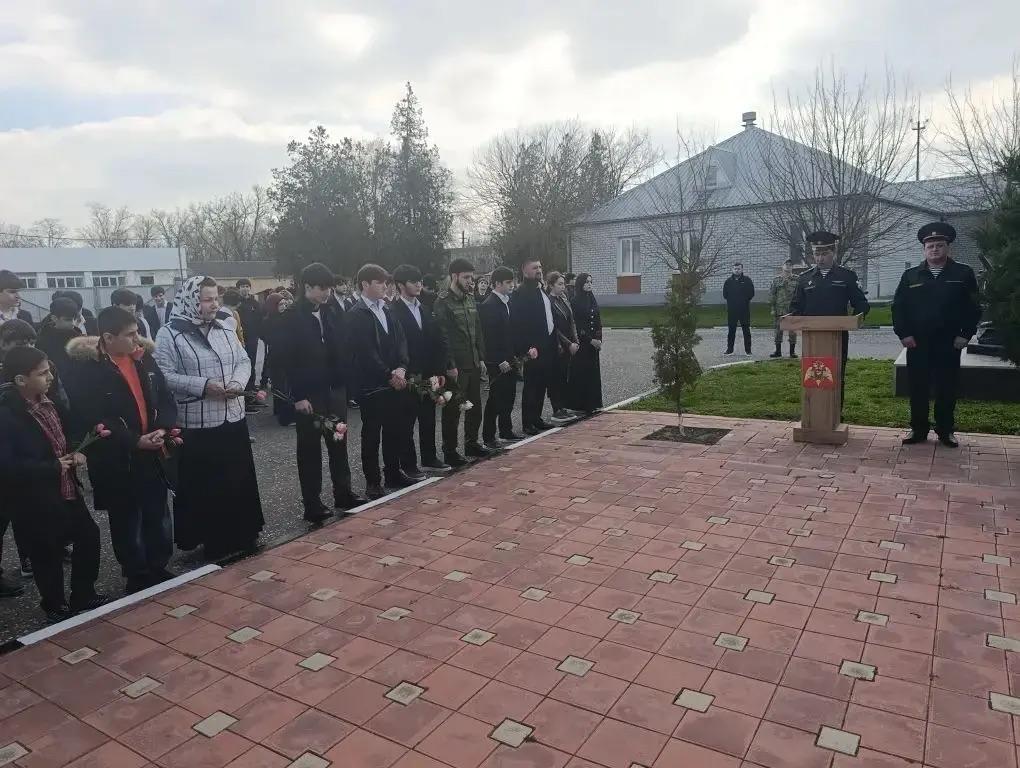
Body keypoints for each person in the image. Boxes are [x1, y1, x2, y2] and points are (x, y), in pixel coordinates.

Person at [66, 307, 177, 592]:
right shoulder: (88, 371)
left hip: (153, 449)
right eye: (130, 334)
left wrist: (163, 429)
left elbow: (165, 398)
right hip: (117, 457)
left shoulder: (144, 359)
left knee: (157, 511)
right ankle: (137, 573)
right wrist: (133, 440)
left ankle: (158, 565)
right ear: (108, 337)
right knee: (127, 518)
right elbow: (94, 416)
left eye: (137, 332)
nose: (137, 339)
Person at [153, 275, 264, 560]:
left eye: (216, 298)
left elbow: (243, 360)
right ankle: (215, 541)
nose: (214, 305)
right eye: (207, 299)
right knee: (209, 485)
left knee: (238, 479)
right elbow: (164, 376)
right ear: (191, 301)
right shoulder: (170, 333)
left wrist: (238, 383)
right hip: (198, 423)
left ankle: (245, 533)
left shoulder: (225, 325)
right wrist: (202, 386)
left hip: (232, 416)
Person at [0, 346, 103, 621]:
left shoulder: (51, 400)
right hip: (35, 497)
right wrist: (51, 467)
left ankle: (84, 593)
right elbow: (7, 466)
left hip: (66, 487)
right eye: (43, 373)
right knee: (47, 551)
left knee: (89, 536)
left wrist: (78, 450)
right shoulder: (7, 415)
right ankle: (55, 605)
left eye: (50, 371)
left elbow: (67, 433)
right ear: (21, 379)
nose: (50, 378)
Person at [280, 263, 366, 521]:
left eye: (329, 287)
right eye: (322, 288)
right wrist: (298, 396)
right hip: (309, 393)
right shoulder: (292, 317)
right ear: (307, 287)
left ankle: (343, 492)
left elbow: (343, 346)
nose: (327, 292)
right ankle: (312, 503)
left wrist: (346, 380)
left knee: (338, 440)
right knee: (309, 450)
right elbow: (285, 361)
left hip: (335, 388)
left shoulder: (331, 311)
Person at [893, 222, 981, 447]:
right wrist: (904, 334)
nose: (934, 249)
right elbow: (899, 307)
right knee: (918, 387)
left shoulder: (963, 273)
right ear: (924, 249)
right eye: (930, 246)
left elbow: (973, 307)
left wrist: (965, 334)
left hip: (949, 341)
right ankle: (918, 429)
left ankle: (945, 430)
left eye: (939, 245)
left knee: (947, 387)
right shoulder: (911, 275)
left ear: (947, 247)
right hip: (918, 342)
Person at [346, 264, 411, 498]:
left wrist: (402, 367)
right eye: (379, 282)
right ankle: (373, 482)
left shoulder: (388, 309)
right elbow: (365, 351)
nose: (385, 286)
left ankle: (393, 472)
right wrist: (388, 375)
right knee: (372, 434)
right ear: (365, 284)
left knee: (395, 430)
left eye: (386, 282)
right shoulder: (356, 314)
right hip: (372, 385)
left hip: (395, 380)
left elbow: (401, 340)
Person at [789, 231, 870, 407]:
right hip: (812, 338)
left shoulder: (846, 276)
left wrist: (857, 318)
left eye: (824, 253)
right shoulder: (804, 278)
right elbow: (795, 306)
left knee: (835, 375)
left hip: (837, 336)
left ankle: (835, 413)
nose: (820, 258)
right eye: (816, 254)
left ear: (833, 252)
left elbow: (861, 303)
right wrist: (796, 322)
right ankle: (813, 412)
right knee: (813, 375)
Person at [391, 264, 451, 474]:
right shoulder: (392, 311)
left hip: (428, 373)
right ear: (400, 285)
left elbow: (438, 340)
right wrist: (401, 371)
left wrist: (440, 370)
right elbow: (395, 346)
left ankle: (429, 457)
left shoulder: (425, 308)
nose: (418, 285)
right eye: (413, 281)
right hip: (407, 375)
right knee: (406, 422)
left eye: (420, 281)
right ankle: (408, 464)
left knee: (428, 418)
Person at [433, 257, 490, 465]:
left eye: (471, 278)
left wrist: (481, 358)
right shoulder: (443, 302)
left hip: (473, 362)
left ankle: (471, 443)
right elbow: (443, 337)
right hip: (456, 367)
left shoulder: (470, 299)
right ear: (454, 276)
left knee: (475, 407)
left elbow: (478, 330)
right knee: (453, 411)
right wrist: (450, 365)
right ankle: (450, 451)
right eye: (466, 277)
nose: (470, 282)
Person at [0, 319, 41, 594]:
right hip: (6, 457)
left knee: (26, 515)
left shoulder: (38, 370)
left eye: (29, 343)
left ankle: (29, 558)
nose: (25, 348)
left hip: (26, 457)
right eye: (18, 344)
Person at [510, 257, 568, 434]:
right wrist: (526, 348)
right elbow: (518, 324)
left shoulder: (540, 289)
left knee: (541, 385)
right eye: (535, 267)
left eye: (540, 267)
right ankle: (528, 423)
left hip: (547, 346)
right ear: (524, 270)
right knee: (531, 387)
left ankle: (537, 418)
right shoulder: (521, 293)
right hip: (532, 349)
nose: (539, 270)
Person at [479, 266, 524, 448]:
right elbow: (489, 336)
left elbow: (511, 331)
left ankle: (506, 430)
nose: (512, 285)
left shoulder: (508, 302)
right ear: (497, 283)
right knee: (495, 398)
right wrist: (499, 360)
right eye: (508, 282)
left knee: (509, 395)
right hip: (497, 361)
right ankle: (489, 436)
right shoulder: (489, 305)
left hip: (510, 358)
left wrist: (516, 355)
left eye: (513, 281)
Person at [546, 272, 581, 422]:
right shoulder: (549, 302)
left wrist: (576, 341)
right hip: (558, 345)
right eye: (559, 284)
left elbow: (572, 321)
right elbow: (554, 328)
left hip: (570, 344)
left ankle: (563, 406)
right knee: (556, 377)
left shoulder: (564, 299)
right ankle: (557, 408)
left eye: (563, 284)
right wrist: (568, 343)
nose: (563, 287)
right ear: (551, 285)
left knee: (565, 376)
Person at [568, 272, 604, 414]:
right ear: (580, 284)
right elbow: (577, 325)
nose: (589, 284)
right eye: (586, 282)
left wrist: (599, 339)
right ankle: (581, 404)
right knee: (582, 372)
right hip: (583, 343)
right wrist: (590, 340)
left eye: (591, 282)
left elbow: (598, 321)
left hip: (594, 344)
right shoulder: (575, 301)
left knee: (593, 373)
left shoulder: (592, 299)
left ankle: (593, 402)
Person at [261, 292, 296, 426]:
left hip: (283, 355)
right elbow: (267, 337)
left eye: (284, 304)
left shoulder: (284, 318)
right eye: (280, 304)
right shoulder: (269, 321)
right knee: (282, 387)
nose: (283, 306)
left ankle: (279, 411)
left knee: (281, 386)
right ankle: (286, 417)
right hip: (278, 356)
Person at [36, 297, 82, 380]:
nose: (72, 323)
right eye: (67, 320)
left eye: (74, 319)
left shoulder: (79, 339)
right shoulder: (42, 340)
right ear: (54, 318)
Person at [235, 279, 263, 396]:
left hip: (252, 337)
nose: (245, 288)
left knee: (252, 361)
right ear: (238, 289)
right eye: (242, 286)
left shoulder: (254, 303)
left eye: (247, 286)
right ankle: (243, 386)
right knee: (241, 362)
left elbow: (260, 318)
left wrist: (258, 333)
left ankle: (251, 386)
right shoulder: (236, 303)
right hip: (239, 337)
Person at [769, 259, 799, 358]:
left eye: (790, 265)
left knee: (792, 331)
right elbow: (772, 295)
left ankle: (792, 352)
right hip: (779, 309)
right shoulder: (776, 280)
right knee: (778, 331)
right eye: (786, 264)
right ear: (782, 266)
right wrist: (773, 308)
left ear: (792, 267)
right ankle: (778, 351)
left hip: (792, 310)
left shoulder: (797, 279)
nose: (788, 266)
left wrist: (798, 308)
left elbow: (800, 295)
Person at [723, 262, 755, 356]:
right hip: (732, 310)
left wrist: (743, 300)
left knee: (746, 330)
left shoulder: (747, 280)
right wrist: (732, 301)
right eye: (735, 269)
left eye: (738, 269)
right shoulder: (728, 281)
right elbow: (725, 294)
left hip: (744, 310)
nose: (737, 270)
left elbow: (751, 293)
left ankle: (748, 350)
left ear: (742, 269)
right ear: (732, 270)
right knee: (731, 330)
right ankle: (729, 350)